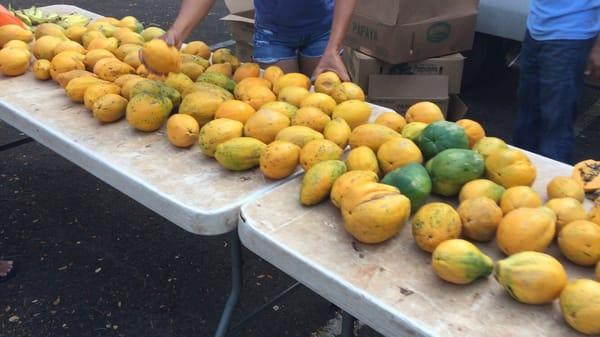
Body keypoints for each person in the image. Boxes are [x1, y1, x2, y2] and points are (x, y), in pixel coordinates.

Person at [161, 0, 356, 80]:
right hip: (272, 34)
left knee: (323, 105)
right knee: (280, 108)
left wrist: (333, 47)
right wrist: (177, 31)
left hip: (323, 30)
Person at [514, 1, 600, 163]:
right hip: (535, 30)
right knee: (527, 114)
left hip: (570, 37)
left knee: (556, 119)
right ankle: (518, 175)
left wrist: (598, 47)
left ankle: (555, 182)